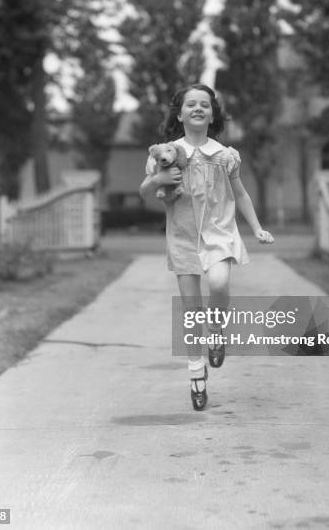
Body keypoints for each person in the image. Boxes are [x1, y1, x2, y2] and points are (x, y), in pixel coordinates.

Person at [139, 84, 274, 411]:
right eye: (191, 104)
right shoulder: (164, 153)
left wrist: (256, 228)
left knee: (219, 282)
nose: (198, 108)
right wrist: (158, 181)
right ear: (180, 113)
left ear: (212, 114)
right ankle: (196, 376)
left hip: (218, 232)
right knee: (190, 310)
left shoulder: (225, 155)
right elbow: (145, 191)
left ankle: (216, 331)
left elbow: (240, 194)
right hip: (183, 236)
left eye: (204, 104)